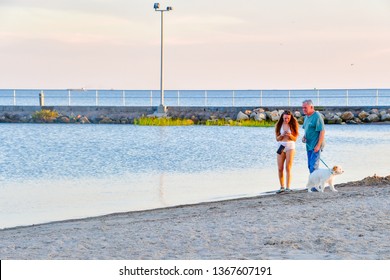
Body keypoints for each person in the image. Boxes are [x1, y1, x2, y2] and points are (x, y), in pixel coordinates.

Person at [275, 110, 299, 193]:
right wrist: (281, 136)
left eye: (288, 118)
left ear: (290, 118)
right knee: (280, 168)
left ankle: (288, 187)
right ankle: (282, 187)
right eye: (285, 118)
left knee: (288, 167)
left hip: (290, 146)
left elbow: (295, 139)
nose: (286, 120)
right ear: (282, 117)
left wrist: (290, 135)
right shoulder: (279, 125)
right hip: (281, 146)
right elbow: (277, 139)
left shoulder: (293, 124)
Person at [302, 100, 325, 174]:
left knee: (314, 167)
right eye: (303, 108)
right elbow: (307, 129)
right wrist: (304, 137)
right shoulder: (306, 117)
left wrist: (318, 146)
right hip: (309, 145)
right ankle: (314, 184)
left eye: (305, 108)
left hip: (316, 145)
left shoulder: (317, 116)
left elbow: (322, 131)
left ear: (311, 107)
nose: (303, 109)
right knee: (309, 166)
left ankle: (315, 185)